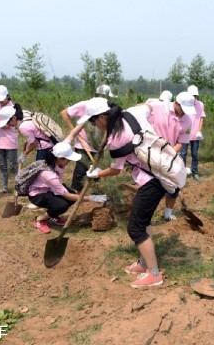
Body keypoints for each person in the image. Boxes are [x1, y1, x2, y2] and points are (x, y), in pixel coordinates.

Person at [65, 98, 167, 288]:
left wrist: (96, 174)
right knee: (142, 222)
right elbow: (148, 106)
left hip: (153, 181)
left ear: (103, 117)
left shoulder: (117, 138)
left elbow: (115, 170)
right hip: (157, 172)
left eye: (94, 121)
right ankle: (144, 263)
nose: (94, 125)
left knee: (135, 228)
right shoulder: (132, 113)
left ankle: (154, 274)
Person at [28, 142, 102, 234]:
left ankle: (53, 215)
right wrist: (92, 198)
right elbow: (67, 196)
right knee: (61, 205)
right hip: (38, 194)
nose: (69, 162)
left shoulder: (57, 163)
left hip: (50, 189)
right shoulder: (49, 174)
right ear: (60, 158)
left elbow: (69, 138)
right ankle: (40, 220)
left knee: (73, 196)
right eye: (68, 160)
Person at [147, 91, 194, 221]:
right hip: (151, 153)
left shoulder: (187, 120)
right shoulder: (158, 107)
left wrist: (169, 153)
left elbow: (181, 142)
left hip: (171, 155)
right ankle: (146, 215)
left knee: (174, 186)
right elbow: (142, 109)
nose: (184, 113)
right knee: (152, 186)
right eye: (182, 109)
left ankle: (168, 213)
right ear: (176, 103)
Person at [60, 84, 116, 191]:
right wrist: (74, 132)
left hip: (99, 147)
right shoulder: (86, 105)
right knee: (80, 175)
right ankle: (75, 197)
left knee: (96, 174)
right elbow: (64, 113)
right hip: (83, 145)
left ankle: (96, 199)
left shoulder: (108, 109)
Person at [181, 85, 206, 181]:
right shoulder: (184, 104)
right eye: (192, 95)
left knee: (194, 154)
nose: (194, 97)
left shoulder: (200, 104)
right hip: (185, 134)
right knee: (182, 154)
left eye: (195, 95)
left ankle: (194, 171)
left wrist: (199, 130)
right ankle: (182, 173)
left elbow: (201, 118)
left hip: (195, 135)